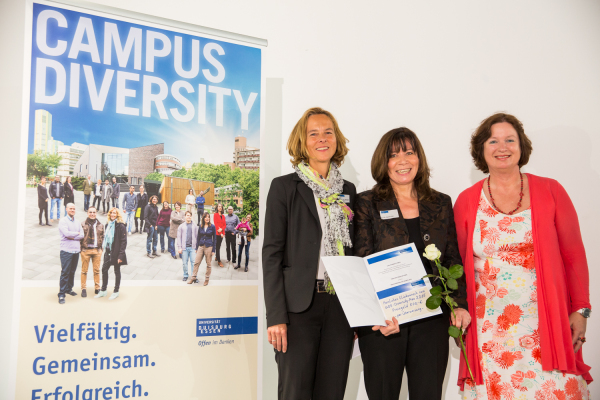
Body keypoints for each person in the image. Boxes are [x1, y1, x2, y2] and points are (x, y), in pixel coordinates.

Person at [454, 113, 591, 399]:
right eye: (493, 140)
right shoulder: (467, 201)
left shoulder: (551, 190)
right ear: (481, 149)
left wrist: (580, 310)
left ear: (521, 146)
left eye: (509, 140)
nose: (502, 147)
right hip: (488, 327)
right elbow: (455, 263)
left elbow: (574, 255)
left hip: (546, 321)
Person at [353, 127, 470, 400]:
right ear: (384, 162)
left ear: (419, 158)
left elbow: (452, 256)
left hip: (432, 318)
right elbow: (361, 260)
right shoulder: (367, 202)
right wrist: (375, 315)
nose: (402, 160)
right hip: (385, 322)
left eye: (409, 152)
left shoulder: (440, 202)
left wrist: (460, 303)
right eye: (393, 155)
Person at [262, 107, 356, 399]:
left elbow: (354, 253)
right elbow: (271, 255)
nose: (322, 139)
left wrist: (358, 310)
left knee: (332, 391)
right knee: (296, 391)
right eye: (313, 133)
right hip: (297, 308)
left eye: (328, 132)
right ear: (302, 142)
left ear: (336, 139)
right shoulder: (284, 188)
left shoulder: (349, 190)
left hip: (339, 308)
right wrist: (276, 315)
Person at [95, 207, 127, 300]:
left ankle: (116, 291)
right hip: (108, 251)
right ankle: (103, 290)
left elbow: (123, 241)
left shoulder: (121, 225)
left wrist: (121, 255)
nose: (113, 215)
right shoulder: (108, 224)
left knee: (117, 271)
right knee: (104, 269)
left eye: (114, 213)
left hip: (116, 252)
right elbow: (106, 238)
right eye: (111, 213)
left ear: (117, 215)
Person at [58, 203, 84, 304]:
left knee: (72, 271)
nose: (72, 210)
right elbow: (66, 233)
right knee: (65, 272)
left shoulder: (77, 222)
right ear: (66, 209)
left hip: (76, 251)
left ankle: (69, 289)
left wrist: (72, 235)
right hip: (66, 250)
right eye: (70, 208)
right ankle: (61, 294)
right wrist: (75, 234)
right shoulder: (63, 221)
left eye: (74, 208)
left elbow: (82, 235)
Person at [79, 206, 104, 297]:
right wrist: (81, 250)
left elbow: (103, 237)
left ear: (96, 213)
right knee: (84, 271)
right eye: (90, 212)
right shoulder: (82, 224)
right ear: (87, 213)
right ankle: (83, 288)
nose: (92, 214)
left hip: (97, 250)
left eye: (94, 212)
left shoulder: (100, 225)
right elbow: (79, 238)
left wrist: (101, 249)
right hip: (86, 250)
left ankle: (97, 288)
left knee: (97, 270)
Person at [189, 212, 216, 286]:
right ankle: (193, 277)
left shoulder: (212, 226)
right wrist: (197, 247)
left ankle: (207, 279)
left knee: (209, 264)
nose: (207, 218)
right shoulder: (200, 226)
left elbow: (215, 239)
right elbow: (198, 237)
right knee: (196, 262)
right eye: (206, 217)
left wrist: (213, 250)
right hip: (201, 246)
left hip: (209, 247)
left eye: (208, 217)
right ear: (203, 218)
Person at [177, 211, 197, 282]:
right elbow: (179, 238)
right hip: (184, 248)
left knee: (194, 262)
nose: (189, 216)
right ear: (185, 216)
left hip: (193, 248)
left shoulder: (195, 226)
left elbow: (197, 237)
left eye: (190, 215)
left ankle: (193, 276)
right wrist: (179, 247)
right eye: (187, 215)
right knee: (184, 263)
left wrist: (197, 248)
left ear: (191, 216)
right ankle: (185, 275)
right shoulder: (181, 226)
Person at [213, 203, 226, 267]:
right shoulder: (215, 215)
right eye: (219, 206)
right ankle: (219, 261)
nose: (220, 207)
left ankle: (216, 256)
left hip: (222, 233)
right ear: (217, 207)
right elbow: (216, 224)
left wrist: (222, 230)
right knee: (217, 247)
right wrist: (220, 232)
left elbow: (224, 225)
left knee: (219, 246)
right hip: (217, 233)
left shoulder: (223, 216)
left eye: (221, 206)